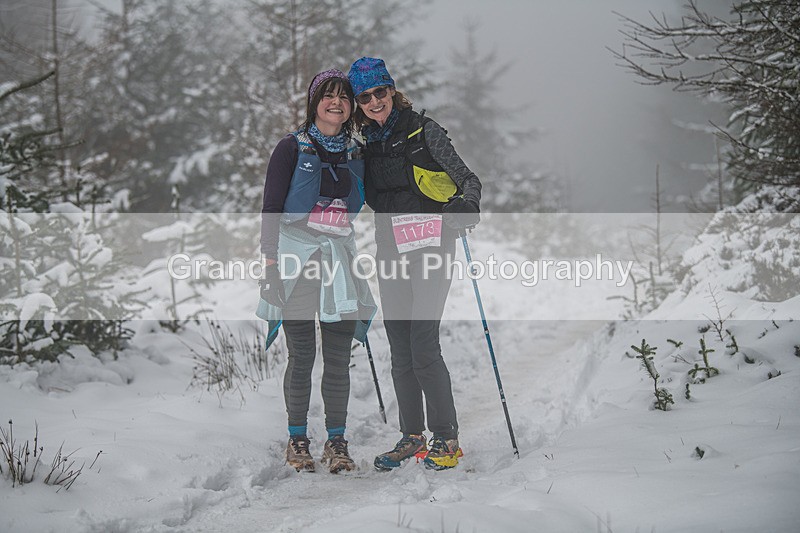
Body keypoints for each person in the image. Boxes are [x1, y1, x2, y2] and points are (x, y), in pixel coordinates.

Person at [347, 57, 482, 471]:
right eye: (365, 96)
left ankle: (447, 437)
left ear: (392, 90)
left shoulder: (424, 131)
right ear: (358, 103)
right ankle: (411, 437)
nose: (375, 101)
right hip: (390, 252)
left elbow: (469, 180)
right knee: (401, 347)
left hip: (431, 247)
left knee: (423, 343)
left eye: (380, 91)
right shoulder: (364, 145)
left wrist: (467, 205)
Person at [256, 68, 375, 474]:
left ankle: (337, 441)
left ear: (351, 106)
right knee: (302, 353)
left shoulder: (358, 152)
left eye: (343, 96)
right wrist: (270, 265)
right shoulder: (291, 147)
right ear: (315, 102)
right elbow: (271, 208)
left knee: (338, 358)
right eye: (328, 95)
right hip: (297, 260)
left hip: (339, 261)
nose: (336, 102)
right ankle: (297, 439)